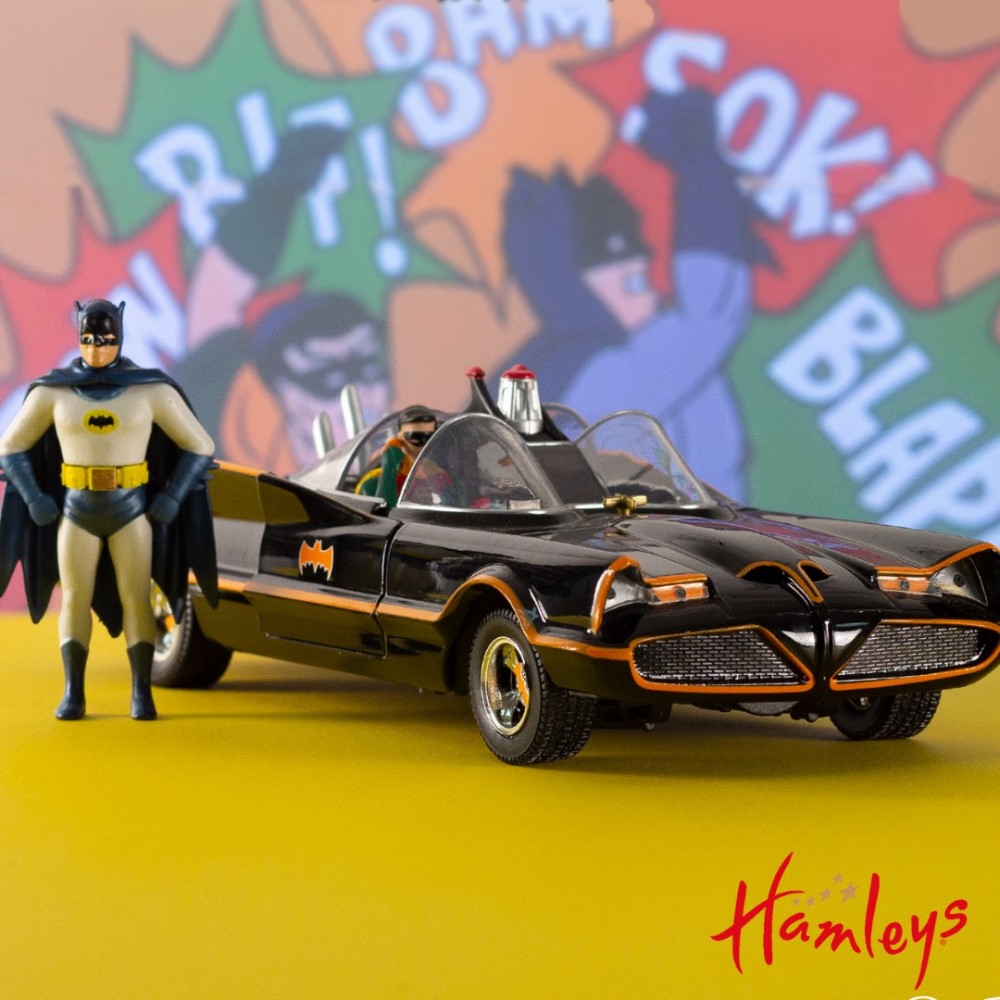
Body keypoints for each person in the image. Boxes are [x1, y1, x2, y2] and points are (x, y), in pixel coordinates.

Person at [0, 299, 217, 720]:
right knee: (74, 599)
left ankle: (141, 692)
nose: (96, 348)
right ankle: (73, 692)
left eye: (105, 339)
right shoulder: (53, 392)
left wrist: (173, 496)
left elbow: (200, 445)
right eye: (88, 339)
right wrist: (34, 496)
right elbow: (11, 447)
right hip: (76, 511)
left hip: (131, 511)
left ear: (119, 336)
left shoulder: (150, 390)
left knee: (136, 597)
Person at [371, 405, 438, 507]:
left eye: (429, 437)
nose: (424, 444)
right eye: (415, 437)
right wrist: (389, 466)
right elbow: (384, 510)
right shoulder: (374, 481)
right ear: (399, 438)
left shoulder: (440, 474)